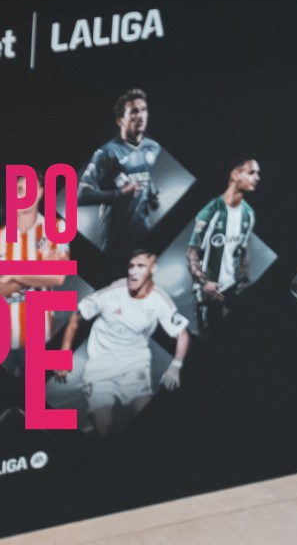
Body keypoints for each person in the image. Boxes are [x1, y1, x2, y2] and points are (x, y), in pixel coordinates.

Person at [64, 251, 188, 435]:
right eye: (132, 266)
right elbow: (76, 316)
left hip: (134, 369)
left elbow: (182, 333)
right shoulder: (113, 292)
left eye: (141, 266)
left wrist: (176, 364)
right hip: (100, 370)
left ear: (153, 269)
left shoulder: (160, 300)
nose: (134, 271)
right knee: (104, 425)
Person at [80, 90, 167, 259]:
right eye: (134, 111)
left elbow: (145, 181)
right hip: (115, 238)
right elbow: (81, 195)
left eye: (143, 110)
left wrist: (153, 198)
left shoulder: (153, 147)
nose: (140, 116)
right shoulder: (107, 153)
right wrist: (119, 193)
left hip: (143, 234)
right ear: (120, 120)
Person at [184, 158, 264, 328]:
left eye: (257, 173)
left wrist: (244, 281)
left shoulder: (248, 214)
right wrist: (204, 283)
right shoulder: (211, 210)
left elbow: (242, 250)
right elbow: (192, 252)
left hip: (232, 289)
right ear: (235, 175)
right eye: (251, 172)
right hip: (209, 292)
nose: (257, 177)